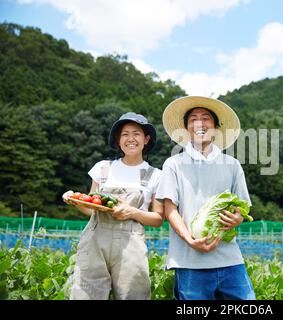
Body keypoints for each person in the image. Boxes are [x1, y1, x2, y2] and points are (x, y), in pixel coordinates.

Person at [156, 96, 256, 300]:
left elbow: (242, 209)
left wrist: (238, 219)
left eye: (206, 118)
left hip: (229, 258)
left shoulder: (232, 164)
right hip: (189, 260)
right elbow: (170, 209)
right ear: (186, 128)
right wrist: (190, 239)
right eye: (193, 119)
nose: (199, 123)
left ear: (216, 128)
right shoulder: (173, 164)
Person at [62, 112, 164, 300]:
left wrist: (132, 211)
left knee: (133, 295)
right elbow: (90, 208)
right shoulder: (103, 168)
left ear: (146, 139)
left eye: (136, 133)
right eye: (125, 134)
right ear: (118, 140)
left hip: (130, 244)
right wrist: (74, 200)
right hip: (94, 240)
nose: (130, 139)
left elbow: (158, 218)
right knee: (85, 294)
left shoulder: (155, 175)